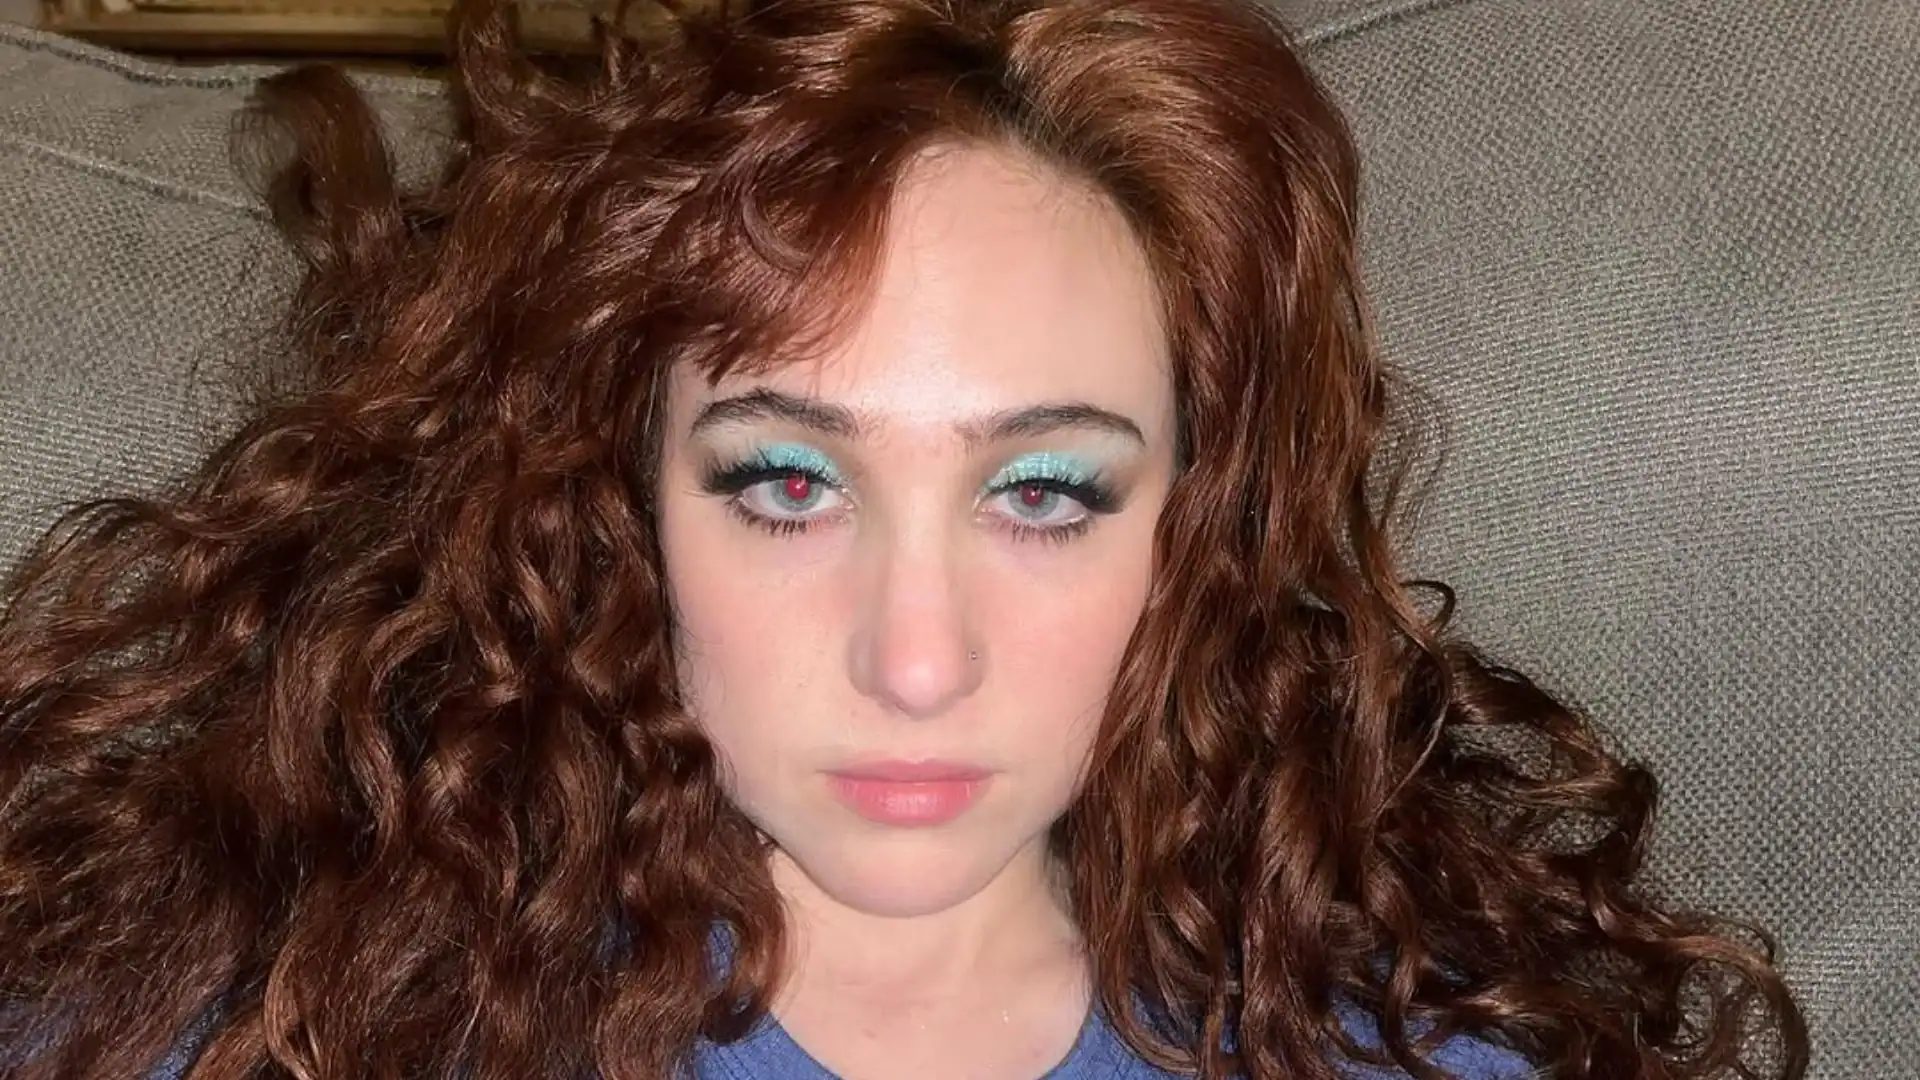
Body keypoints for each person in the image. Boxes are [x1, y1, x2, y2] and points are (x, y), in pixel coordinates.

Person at [0, 0, 1809, 1077]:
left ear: (1197, 533)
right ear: (617, 504)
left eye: (1045, 494)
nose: (917, 661)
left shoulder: (1429, 1059)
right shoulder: (264, 1030)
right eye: (789, 484)